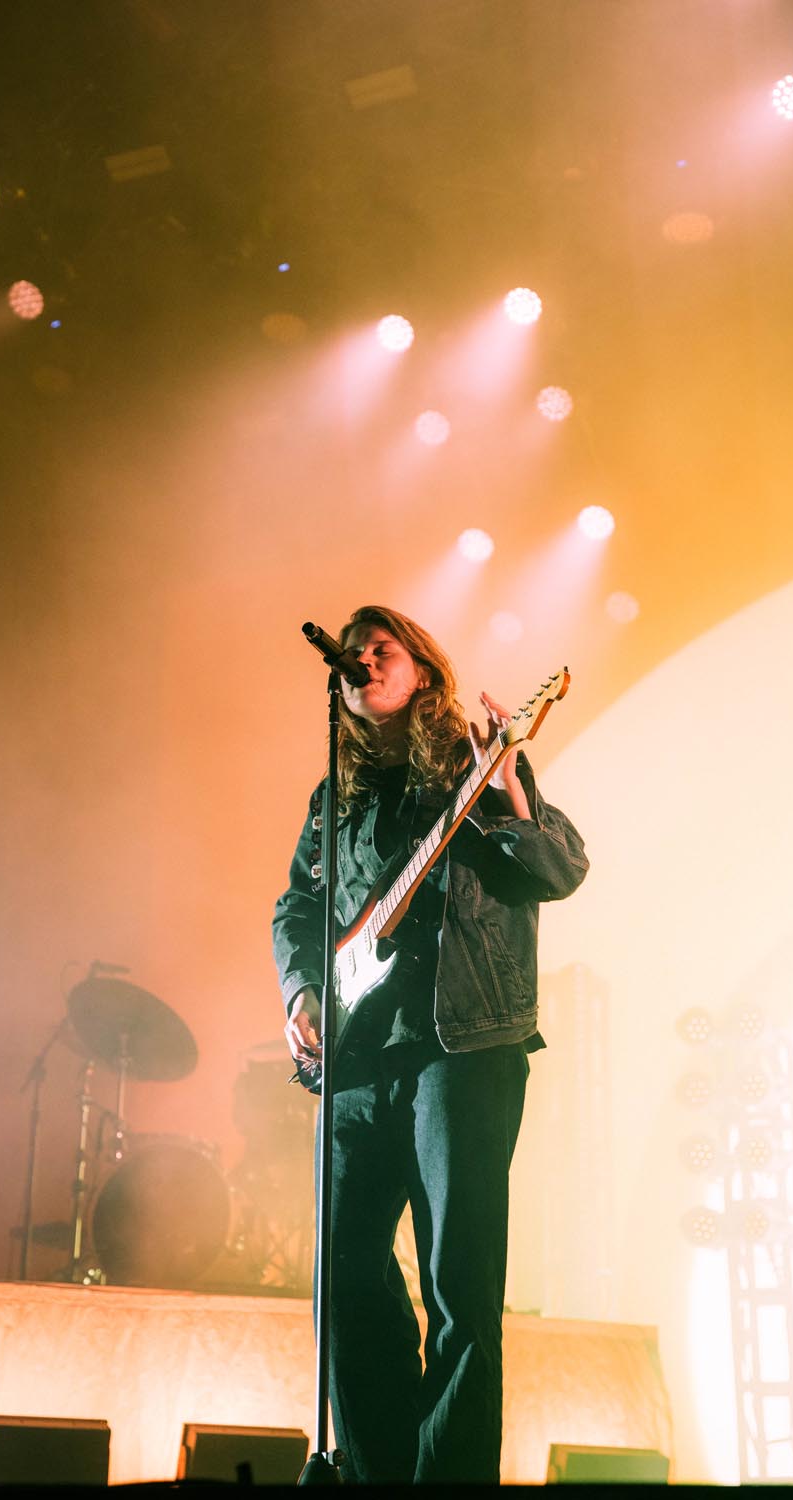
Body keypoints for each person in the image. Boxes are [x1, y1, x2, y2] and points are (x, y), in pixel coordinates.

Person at [272, 604, 588, 1485]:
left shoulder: (476, 766)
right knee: (345, 1280)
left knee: (460, 1285)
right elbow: (297, 905)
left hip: (464, 1046)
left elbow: (561, 868)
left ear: (424, 670)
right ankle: (377, 1475)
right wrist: (301, 989)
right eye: (353, 655)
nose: (364, 662)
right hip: (358, 1057)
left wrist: (508, 783)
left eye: (384, 650)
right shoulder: (333, 796)